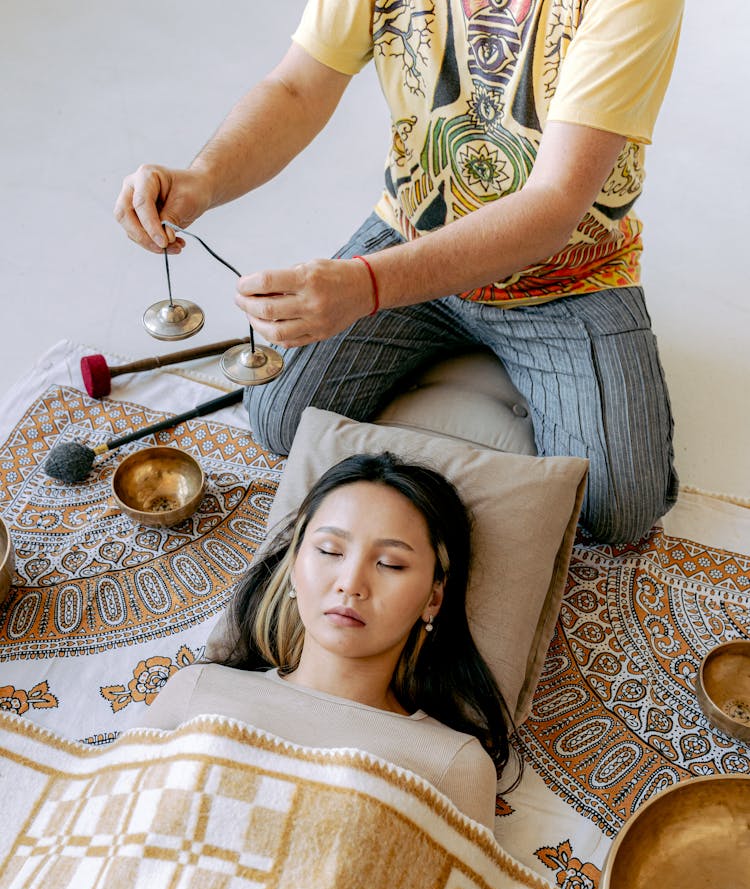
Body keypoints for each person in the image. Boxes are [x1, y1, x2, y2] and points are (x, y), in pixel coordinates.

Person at [114, 0, 684, 545]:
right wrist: (202, 178)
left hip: (567, 277)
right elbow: (296, 87)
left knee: (617, 508)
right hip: (412, 233)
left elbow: (554, 204)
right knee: (280, 415)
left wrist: (367, 286)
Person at [144, 452, 513, 830]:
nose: (351, 584)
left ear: (433, 598)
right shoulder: (196, 690)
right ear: (293, 566)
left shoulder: (453, 764)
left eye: (390, 564)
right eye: (330, 551)